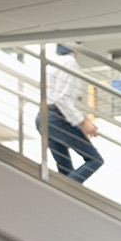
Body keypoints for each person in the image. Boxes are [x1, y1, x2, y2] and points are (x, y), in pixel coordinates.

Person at [38, 43, 103, 184]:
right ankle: (57, 194)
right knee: (95, 159)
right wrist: (82, 122)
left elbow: (58, 99)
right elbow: (61, 99)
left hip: (44, 117)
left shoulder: (55, 61)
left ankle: (60, 199)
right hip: (55, 118)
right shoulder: (69, 62)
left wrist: (81, 120)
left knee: (65, 170)